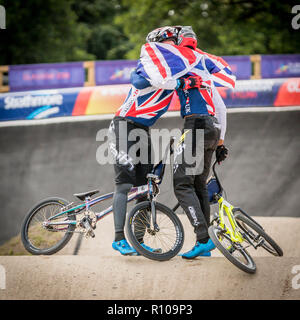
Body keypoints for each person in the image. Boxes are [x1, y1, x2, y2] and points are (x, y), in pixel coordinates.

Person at [109, 26, 204, 256]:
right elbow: (139, 82)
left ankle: (138, 241)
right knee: (124, 185)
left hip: (143, 130)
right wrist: (178, 84)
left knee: (146, 190)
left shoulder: (174, 72)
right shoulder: (147, 66)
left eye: (175, 41)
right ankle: (118, 238)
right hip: (123, 126)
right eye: (169, 42)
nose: (173, 45)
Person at [172, 26, 234, 259]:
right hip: (212, 128)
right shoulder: (205, 73)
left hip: (195, 125)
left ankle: (203, 239)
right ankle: (205, 242)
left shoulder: (177, 65)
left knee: (181, 183)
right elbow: (222, 109)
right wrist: (220, 143)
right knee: (198, 185)